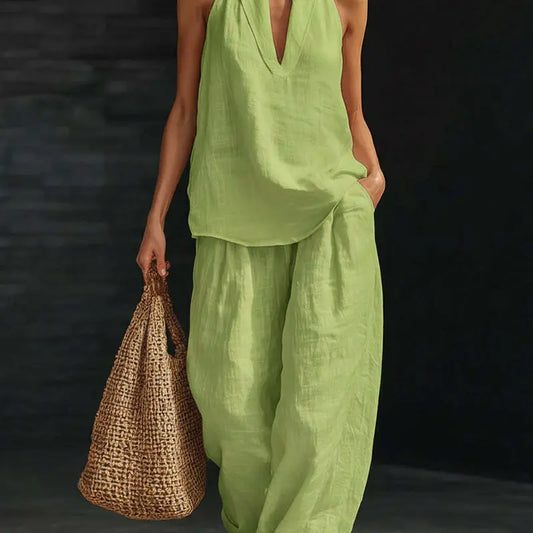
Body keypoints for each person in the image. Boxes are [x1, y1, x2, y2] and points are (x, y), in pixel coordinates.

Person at [136, 0, 386, 531]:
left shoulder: (347, 3)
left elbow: (352, 111)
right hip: (230, 219)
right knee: (231, 408)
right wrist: (156, 217)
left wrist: (374, 176)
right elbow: (185, 109)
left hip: (331, 219)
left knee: (317, 411)